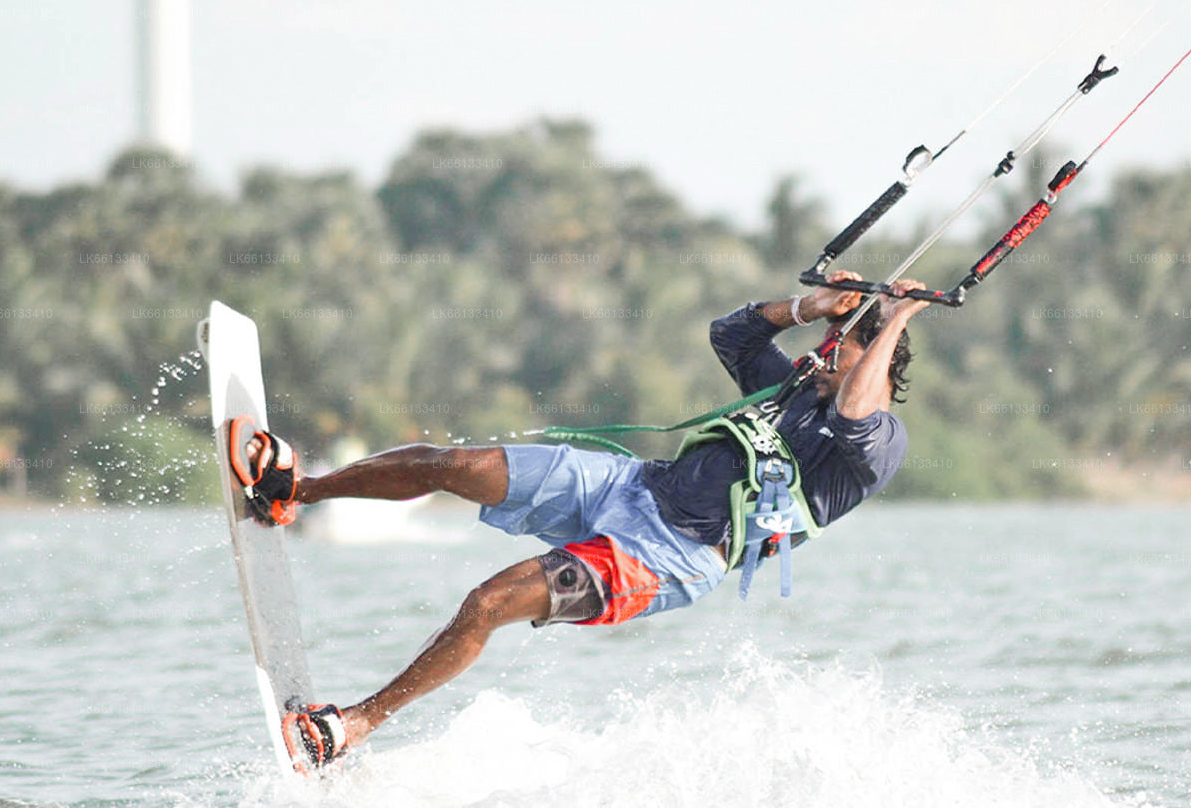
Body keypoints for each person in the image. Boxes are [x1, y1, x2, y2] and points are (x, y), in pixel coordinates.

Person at [229, 271, 930, 770]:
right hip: (633, 485)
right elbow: (733, 334)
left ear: (876, 360)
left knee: (487, 603)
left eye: (841, 345)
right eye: (828, 341)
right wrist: (809, 306)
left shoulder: (877, 442)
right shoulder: (796, 388)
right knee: (455, 464)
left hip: (669, 558)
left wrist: (896, 314)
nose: (823, 351)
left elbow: (854, 410)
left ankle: (355, 724)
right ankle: (299, 489)